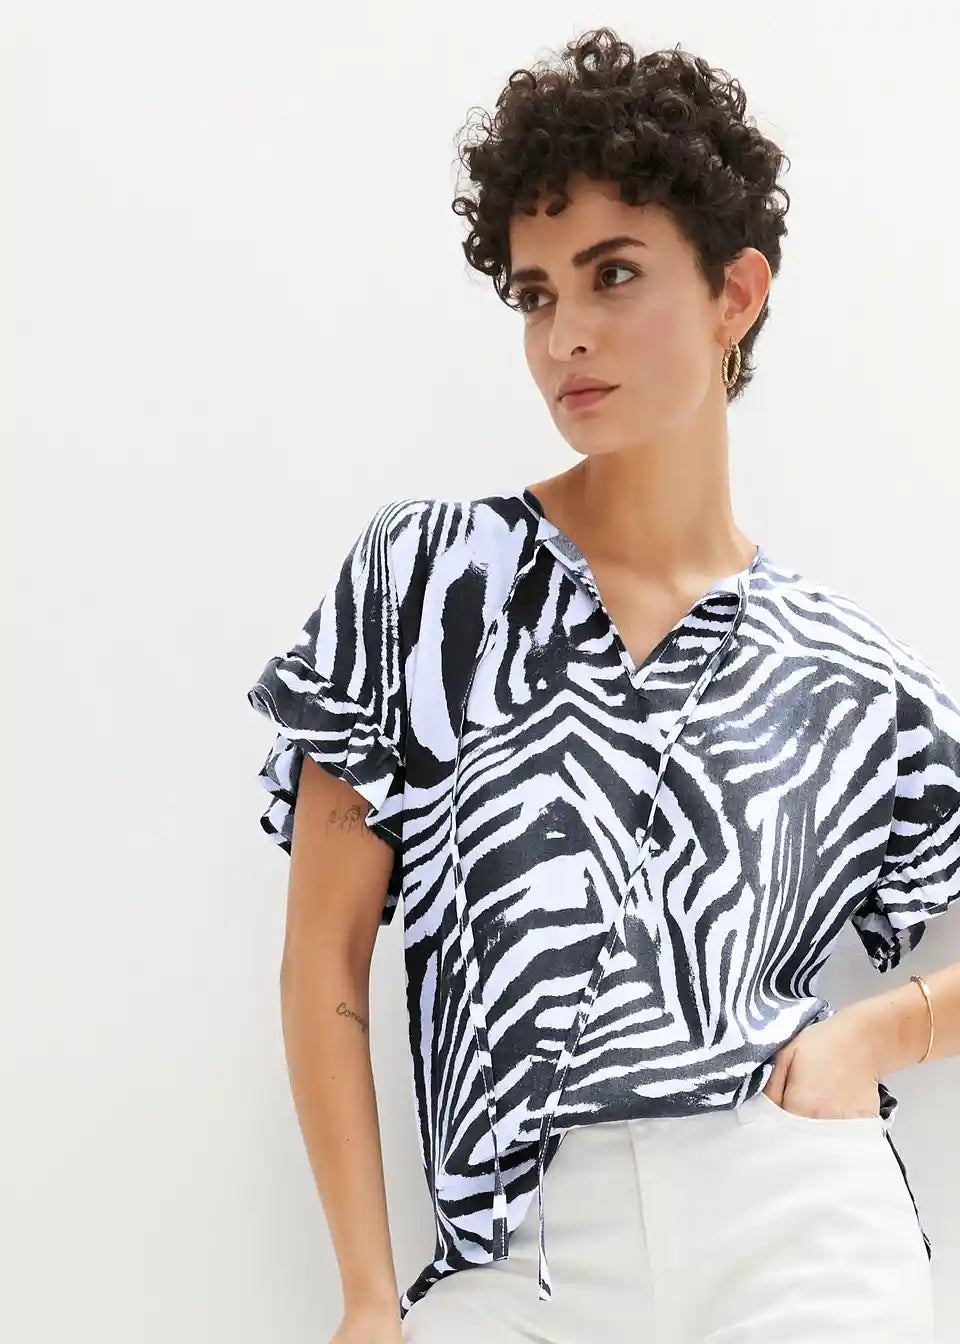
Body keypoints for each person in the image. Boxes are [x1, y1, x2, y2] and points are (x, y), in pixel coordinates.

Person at [246, 29, 959, 1344]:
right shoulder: (426, 582)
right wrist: (365, 1298)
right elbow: (324, 959)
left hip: (796, 1218)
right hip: (522, 1257)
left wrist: (881, 1034)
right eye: (535, 293)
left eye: (613, 274)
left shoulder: (850, 674)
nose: (564, 334)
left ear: (735, 292)